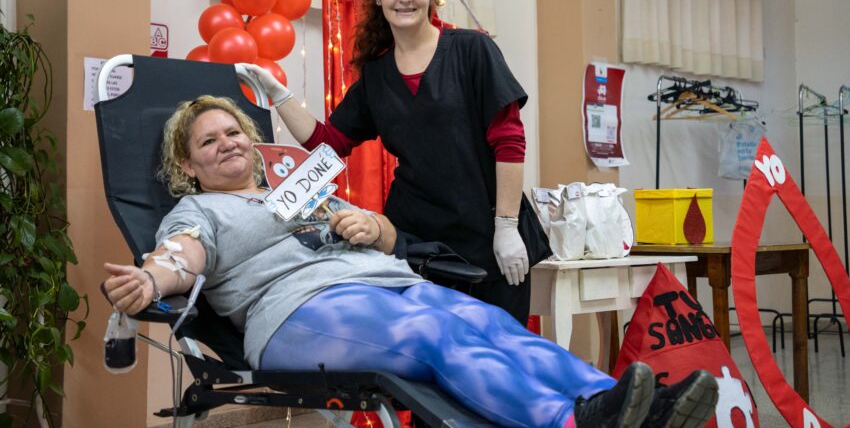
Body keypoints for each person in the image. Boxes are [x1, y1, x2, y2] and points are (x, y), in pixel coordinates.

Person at [103, 96, 719, 428]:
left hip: (383, 281)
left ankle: (623, 405)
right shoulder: (201, 213)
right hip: (301, 309)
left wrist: (372, 224)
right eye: (208, 141)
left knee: (493, 325)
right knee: (431, 335)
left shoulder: (299, 188)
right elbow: (179, 258)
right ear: (188, 166)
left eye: (233, 132)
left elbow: (389, 235)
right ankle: (564, 422)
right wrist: (149, 278)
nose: (227, 144)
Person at [239, 0, 537, 323]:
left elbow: (509, 139)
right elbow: (330, 144)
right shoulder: (378, 75)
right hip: (415, 241)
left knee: (501, 355)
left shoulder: (472, 50)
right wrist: (279, 94)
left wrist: (507, 226)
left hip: (488, 236)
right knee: (431, 359)